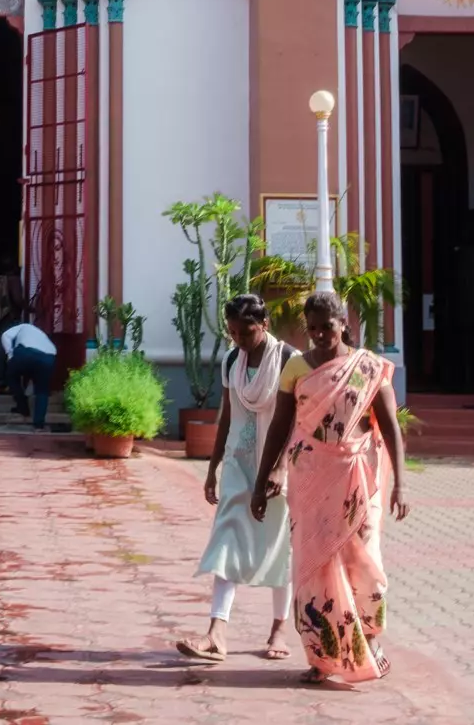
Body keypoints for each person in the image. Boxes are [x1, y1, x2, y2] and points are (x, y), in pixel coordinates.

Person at [252, 290, 408, 686]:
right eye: (314, 327)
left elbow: (390, 428)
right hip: (308, 475)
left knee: (364, 561)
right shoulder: (295, 368)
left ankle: (369, 642)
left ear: (344, 324)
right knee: (313, 565)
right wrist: (264, 477)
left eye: (328, 326)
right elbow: (280, 426)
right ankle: (321, 656)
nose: (321, 334)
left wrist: (400, 487)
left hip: (358, 475)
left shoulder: (368, 367)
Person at [176, 294, 299, 663]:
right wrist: (213, 467)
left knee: (279, 544)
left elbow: (297, 418)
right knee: (227, 535)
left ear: (264, 325)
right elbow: (227, 415)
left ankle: (279, 626)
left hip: (278, 464)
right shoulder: (232, 359)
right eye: (232, 333)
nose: (239, 340)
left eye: (246, 332)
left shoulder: (289, 359)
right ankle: (217, 631)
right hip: (238, 462)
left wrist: (279, 467)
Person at [0, 316, 58, 428]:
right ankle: (39, 424)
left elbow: (5, 335)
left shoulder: (22, 327)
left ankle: (22, 407)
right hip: (49, 356)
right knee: (42, 391)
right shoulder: (41, 334)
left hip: (26, 351)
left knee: (11, 376)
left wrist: (10, 354)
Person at [0, 267, 27, 390]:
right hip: (9, 318)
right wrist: (30, 308)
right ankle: (9, 382)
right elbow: (18, 299)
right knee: (9, 350)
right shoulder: (14, 280)